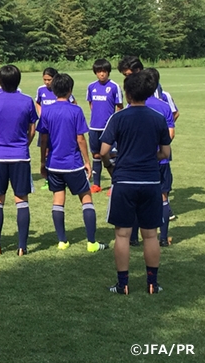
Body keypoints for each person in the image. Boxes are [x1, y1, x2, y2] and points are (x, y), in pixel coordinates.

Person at [100, 70, 171, 295]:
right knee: (150, 234)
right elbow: (165, 152)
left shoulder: (118, 118)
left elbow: (103, 151)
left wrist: (112, 165)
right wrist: (152, 158)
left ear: (128, 94)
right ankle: (152, 283)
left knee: (122, 234)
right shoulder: (157, 118)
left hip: (124, 181)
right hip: (151, 181)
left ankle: (123, 284)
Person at [37, 73, 108, 252]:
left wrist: (43, 162)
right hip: (73, 164)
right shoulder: (75, 110)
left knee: (58, 200)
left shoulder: (47, 111)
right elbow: (80, 139)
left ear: (53, 90)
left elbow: (43, 139)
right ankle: (91, 242)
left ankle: (62, 241)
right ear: (70, 90)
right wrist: (87, 161)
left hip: (54, 164)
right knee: (86, 199)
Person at [0, 65, 37, 256]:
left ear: (0, 81)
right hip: (21, 156)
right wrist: (24, 144)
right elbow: (32, 129)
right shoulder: (27, 101)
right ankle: (22, 246)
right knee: (21, 199)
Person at [129, 69, 176, 247]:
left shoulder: (133, 105)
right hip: (161, 160)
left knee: (135, 197)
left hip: (138, 160)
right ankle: (163, 238)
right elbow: (170, 133)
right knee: (162, 196)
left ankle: (133, 238)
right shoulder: (164, 106)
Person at [86, 59, 123, 193]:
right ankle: (96, 184)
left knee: (111, 155)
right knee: (96, 155)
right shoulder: (91, 87)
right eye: (99, 71)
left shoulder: (114, 87)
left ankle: (115, 184)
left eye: (104, 71)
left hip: (108, 128)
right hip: (94, 127)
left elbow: (119, 107)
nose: (102, 74)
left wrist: (114, 124)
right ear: (95, 73)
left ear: (108, 72)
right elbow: (91, 104)